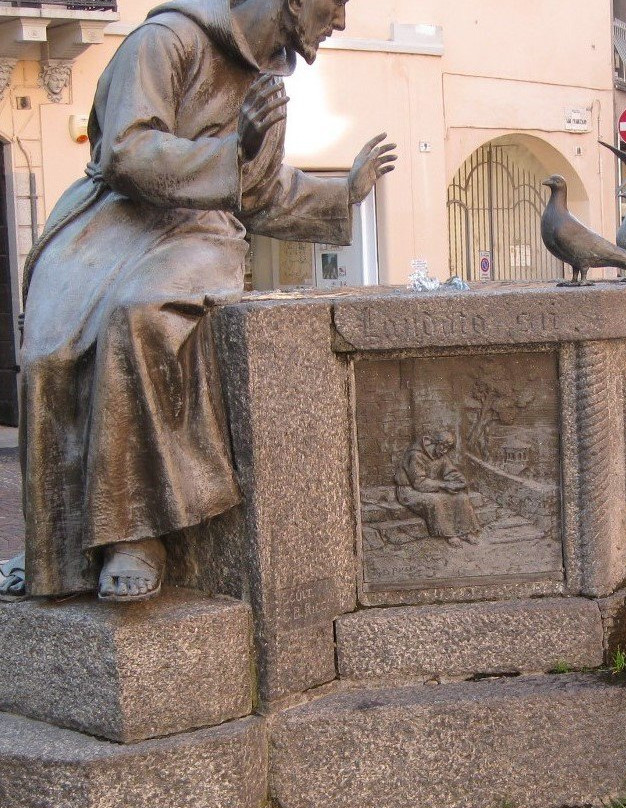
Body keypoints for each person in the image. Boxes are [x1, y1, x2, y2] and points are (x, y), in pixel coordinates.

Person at [0, 0, 396, 603]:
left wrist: (342, 192)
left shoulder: (268, 76)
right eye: (334, 4)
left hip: (199, 232)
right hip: (110, 220)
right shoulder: (165, 41)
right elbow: (125, 154)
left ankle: (135, 534)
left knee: (141, 317)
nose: (339, 21)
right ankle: (56, 547)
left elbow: (255, 192)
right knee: (49, 355)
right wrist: (234, 149)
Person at [395, 432, 480, 548]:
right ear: (435, 443)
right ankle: (449, 533)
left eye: (448, 448)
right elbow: (419, 483)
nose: (445, 451)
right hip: (410, 491)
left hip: (434, 487)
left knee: (462, 497)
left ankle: (465, 532)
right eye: (443, 447)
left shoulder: (441, 456)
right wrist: (444, 485)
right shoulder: (416, 455)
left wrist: (459, 482)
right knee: (436, 500)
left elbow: (451, 472)